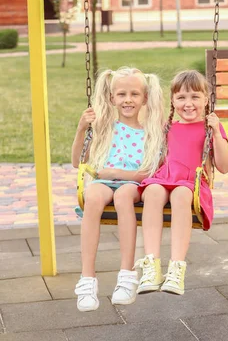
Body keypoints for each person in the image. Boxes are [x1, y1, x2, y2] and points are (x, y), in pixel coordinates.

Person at [71, 67, 164, 312]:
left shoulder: (151, 132)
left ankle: (127, 276)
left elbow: (147, 173)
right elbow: (77, 161)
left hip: (133, 184)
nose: (128, 99)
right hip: (103, 183)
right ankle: (87, 279)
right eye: (121, 94)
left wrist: (115, 174)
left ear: (145, 98)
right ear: (112, 98)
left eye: (134, 94)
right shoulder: (104, 128)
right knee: (92, 194)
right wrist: (82, 128)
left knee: (123, 195)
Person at [136, 70, 228, 296]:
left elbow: (224, 166)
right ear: (173, 101)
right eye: (181, 97)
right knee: (152, 191)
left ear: (206, 100)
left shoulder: (211, 129)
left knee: (179, 194)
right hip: (165, 178)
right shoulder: (168, 128)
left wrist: (217, 134)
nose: (188, 103)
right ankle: (151, 265)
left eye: (195, 97)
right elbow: (156, 162)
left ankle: (176, 268)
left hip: (191, 184)